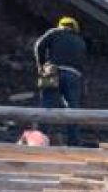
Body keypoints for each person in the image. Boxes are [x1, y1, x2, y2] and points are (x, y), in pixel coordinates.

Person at [33, 16, 88, 146]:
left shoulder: (55, 32)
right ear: (75, 28)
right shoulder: (80, 41)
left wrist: (41, 65)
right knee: (72, 109)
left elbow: (38, 45)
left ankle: (39, 141)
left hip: (52, 71)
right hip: (74, 74)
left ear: (61, 25)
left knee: (46, 106)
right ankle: (74, 142)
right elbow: (82, 65)